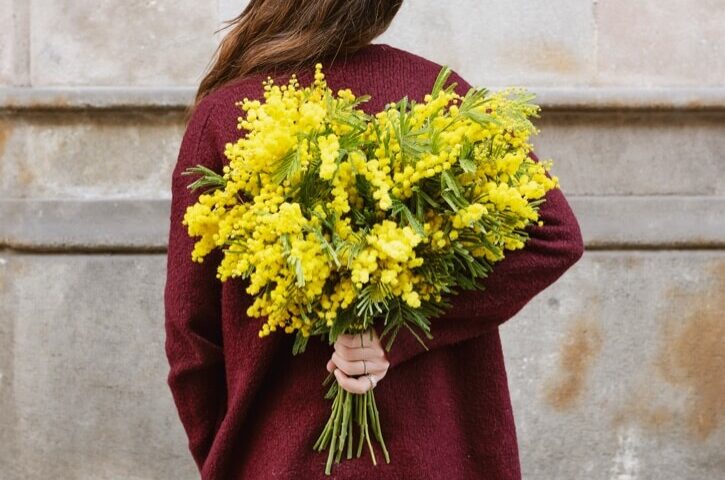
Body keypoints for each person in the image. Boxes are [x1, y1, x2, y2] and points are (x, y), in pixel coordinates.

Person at [163, 1, 585, 479]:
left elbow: (191, 344)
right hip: (438, 457)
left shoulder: (225, 117)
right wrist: (401, 327)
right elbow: (554, 236)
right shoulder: (442, 98)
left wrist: (229, 457)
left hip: (282, 461)